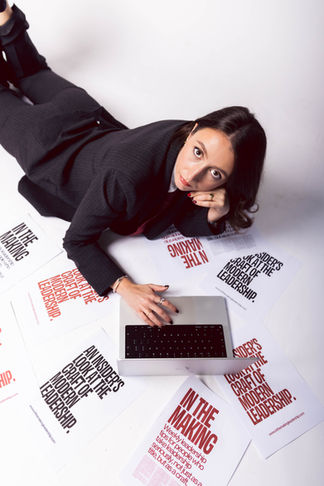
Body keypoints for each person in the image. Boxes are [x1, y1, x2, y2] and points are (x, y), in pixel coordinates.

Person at [0, 3, 267, 326]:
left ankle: (4, 18)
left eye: (215, 173)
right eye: (197, 152)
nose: (193, 175)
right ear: (194, 129)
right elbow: (76, 240)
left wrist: (215, 213)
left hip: (85, 115)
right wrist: (124, 286)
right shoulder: (125, 178)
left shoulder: (195, 136)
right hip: (48, 144)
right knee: (13, 86)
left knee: (34, 73)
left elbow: (178, 213)